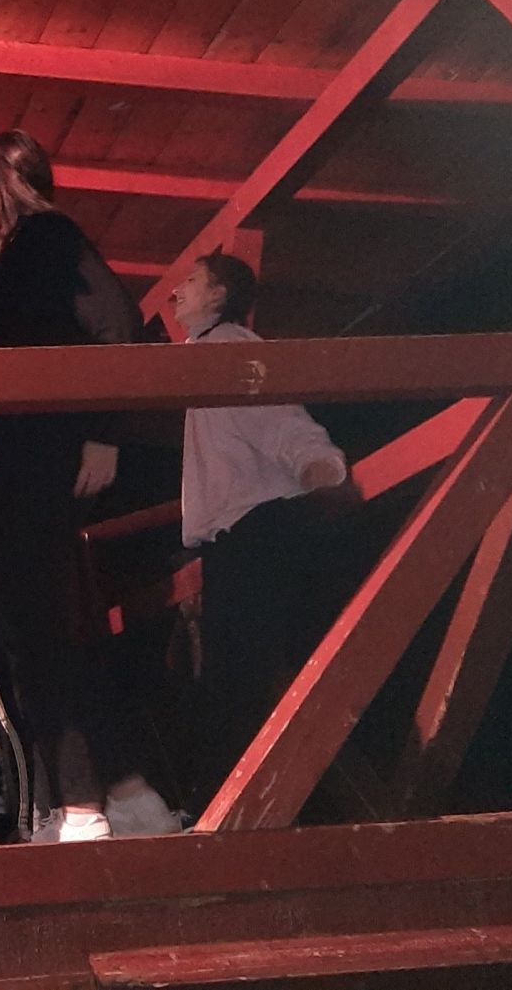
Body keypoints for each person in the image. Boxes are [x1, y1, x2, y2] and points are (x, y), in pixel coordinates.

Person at [0, 129, 179, 843]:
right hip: (36, 459)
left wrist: (104, 433)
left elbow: (118, 324)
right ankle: (127, 794)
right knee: (57, 630)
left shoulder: (45, 238)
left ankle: (86, 803)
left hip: (39, 462)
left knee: (38, 633)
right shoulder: (35, 248)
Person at [165, 252, 351, 809]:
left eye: (192, 280)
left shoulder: (227, 346)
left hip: (256, 528)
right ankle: (237, 807)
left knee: (237, 680)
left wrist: (317, 462)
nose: (177, 289)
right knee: (240, 676)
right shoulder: (208, 352)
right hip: (247, 531)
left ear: (218, 294)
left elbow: (276, 415)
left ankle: (225, 810)